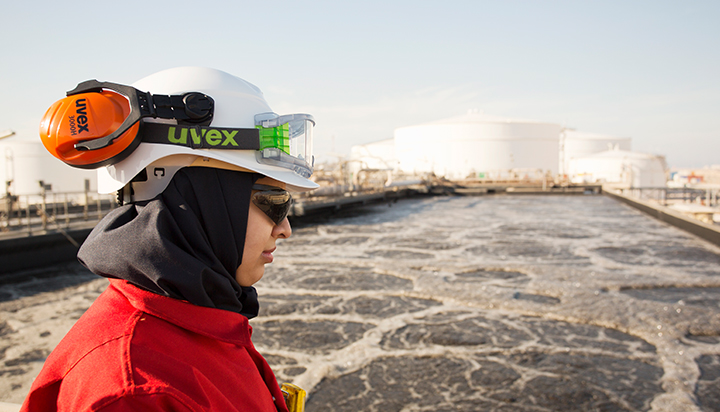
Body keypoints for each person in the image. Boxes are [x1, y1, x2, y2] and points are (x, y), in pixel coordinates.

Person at [21, 67, 317, 411]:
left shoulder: (200, 319)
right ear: (200, 197)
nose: (285, 229)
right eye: (274, 202)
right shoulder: (136, 391)